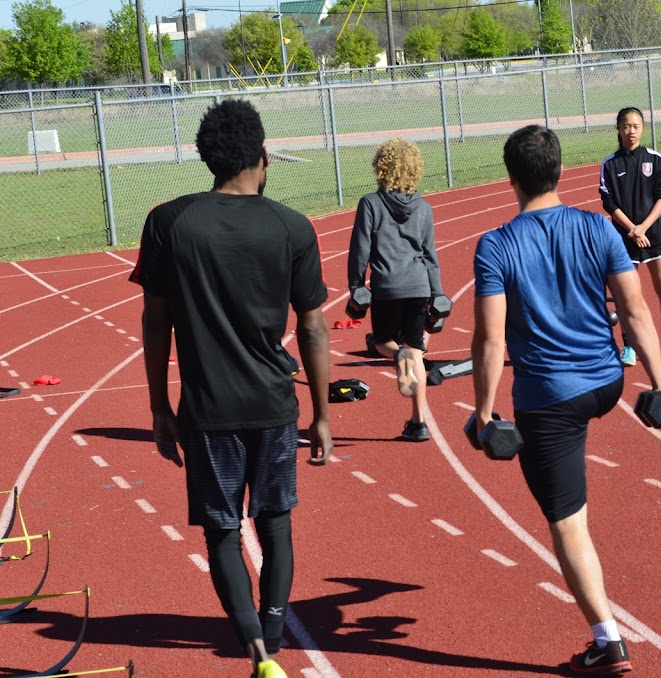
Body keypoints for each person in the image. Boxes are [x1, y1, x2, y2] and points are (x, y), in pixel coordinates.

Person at [130, 99, 333, 678]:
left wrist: (158, 408)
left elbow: (155, 320)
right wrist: (321, 414)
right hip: (274, 406)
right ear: (263, 156)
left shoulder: (169, 222)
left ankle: (257, 651)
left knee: (222, 529)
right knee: (275, 525)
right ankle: (272, 635)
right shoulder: (292, 225)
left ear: (206, 158)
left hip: (206, 411)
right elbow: (314, 326)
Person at [472, 125, 661, 676]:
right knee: (570, 481)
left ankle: (608, 641)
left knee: (568, 524)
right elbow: (634, 312)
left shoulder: (496, 245)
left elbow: (490, 339)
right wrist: (659, 383)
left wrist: (485, 413)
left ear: (511, 179)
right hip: (607, 383)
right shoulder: (599, 228)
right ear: (560, 171)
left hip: (549, 401)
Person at [347, 138, 443, 442]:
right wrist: (438, 294)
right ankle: (419, 423)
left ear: (381, 168)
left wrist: (356, 287)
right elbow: (430, 255)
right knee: (416, 350)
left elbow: (359, 250)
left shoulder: (371, 204)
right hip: (419, 286)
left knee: (381, 342)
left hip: (387, 287)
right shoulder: (424, 208)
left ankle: (398, 354)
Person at [599, 106, 661, 366]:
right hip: (624, 240)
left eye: (636, 126)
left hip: (654, 237)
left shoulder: (655, 159)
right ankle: (629, 348)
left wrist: (643, 227)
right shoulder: (610, 164)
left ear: (643, 128)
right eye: (626, 126)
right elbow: (609, 203)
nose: (631, 131)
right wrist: (632, 230)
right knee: (627, 297)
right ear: (618, 129)